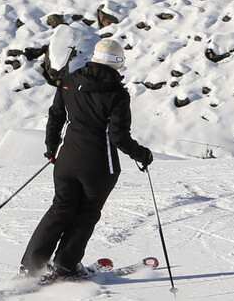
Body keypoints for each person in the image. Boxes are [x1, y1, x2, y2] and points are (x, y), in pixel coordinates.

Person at [20, 37, 154, 279]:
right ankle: (65, 266)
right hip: (100, 165)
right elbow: (118, 136)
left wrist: (52, 148)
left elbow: (56, 116)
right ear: (117, 63)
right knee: (87, 212)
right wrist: (142, 155)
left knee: (60, 208)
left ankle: (31, 266)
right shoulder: (117, 94)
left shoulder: (70, 81)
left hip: (67, 160)